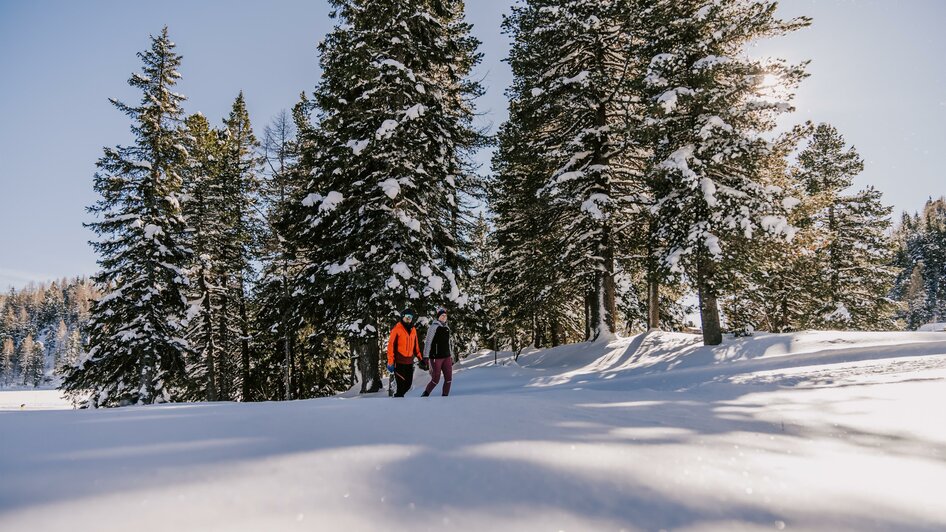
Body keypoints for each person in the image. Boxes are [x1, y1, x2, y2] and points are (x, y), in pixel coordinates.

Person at [386, 308, 425, 397]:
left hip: (409, 362)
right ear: (403, 317)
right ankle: (397, 405)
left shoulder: (413, 330)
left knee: (408, 385)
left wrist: (420, 358)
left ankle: (397, 400)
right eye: (407, 316)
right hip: (399, 362)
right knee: (401, 387)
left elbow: (416, 346)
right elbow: (390, 346)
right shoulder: (397, 328)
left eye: (410, 317)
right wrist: (390, 362)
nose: (409, 318)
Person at [422, 307, 454, 397]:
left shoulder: (447, 328)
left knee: (449, 379)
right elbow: (428, 341)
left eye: (445, 315)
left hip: (446, 357)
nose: (444, 317)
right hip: (436, 357)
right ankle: (425, 395)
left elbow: (448, 343)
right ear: (438, 317)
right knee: (435, 379)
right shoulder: (433, 327)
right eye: (442, 315)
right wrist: (426, 356)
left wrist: (450, 356)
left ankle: (445, 397)